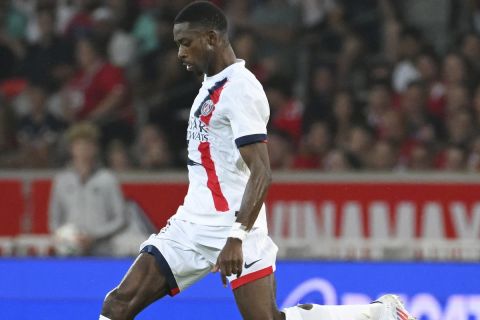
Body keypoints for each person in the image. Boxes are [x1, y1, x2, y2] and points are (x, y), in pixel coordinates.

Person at [100, 2, 415, 320]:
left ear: (211, 38)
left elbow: (262, 171)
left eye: (185, 42)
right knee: (117, 305)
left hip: (234, 227)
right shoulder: (210, 85)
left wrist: (236, 237)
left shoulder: (240, 89)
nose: (180, 53)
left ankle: (377, 314)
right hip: (190, 226)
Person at [49, 122, 146, 256]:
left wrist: (93, 237)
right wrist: (64, 237)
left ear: (95, 148)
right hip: (70, 251)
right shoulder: (61, 180)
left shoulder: (107, 179)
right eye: (79, 145)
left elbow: (121, 218)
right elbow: (54, 219)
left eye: (87, 144)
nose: (83, 150)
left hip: (103, 251)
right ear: (71, 148)